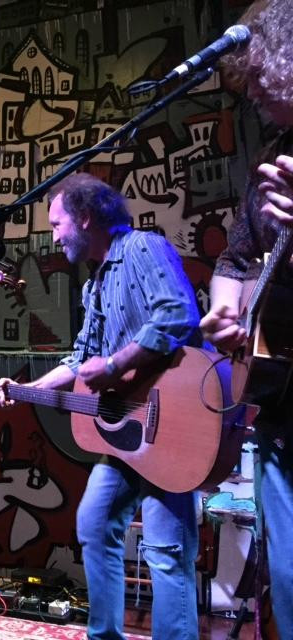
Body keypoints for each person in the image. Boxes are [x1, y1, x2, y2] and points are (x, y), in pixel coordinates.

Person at [0, 173, 201, 639]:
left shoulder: (142, 248)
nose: (54, 236)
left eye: (57, 224)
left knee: (166, 552)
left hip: (174, 429)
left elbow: (178, 315)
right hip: (128, 438)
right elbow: (81, 360)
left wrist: (115, 364)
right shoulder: (94, 286)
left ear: (85, 217)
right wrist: (25, 388)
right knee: (95, 524)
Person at [200, 1, 293, 637]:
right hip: (281, 407)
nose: (251, 91)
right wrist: (225, 306)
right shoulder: (275, 152)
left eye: (260, 75)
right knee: (285, 581)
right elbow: (235, 258)